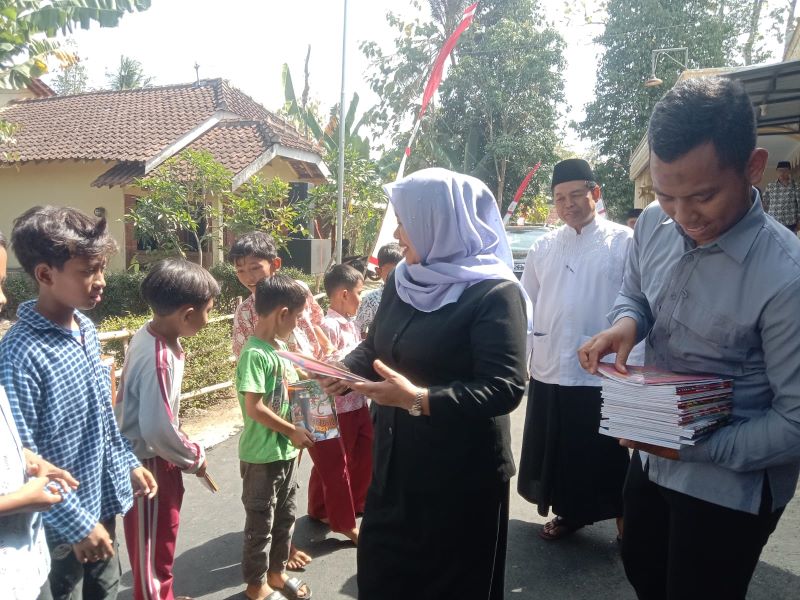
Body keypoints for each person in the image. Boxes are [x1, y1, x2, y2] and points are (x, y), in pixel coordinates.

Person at [578, 77, 797, 599]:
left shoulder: (785, 276)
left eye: (703, 196)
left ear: (753, 167)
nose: (683, 216)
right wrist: (626, 324)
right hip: (653, 457)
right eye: (665, 195)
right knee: (642, 569)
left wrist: (694, 446)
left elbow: (795, 420)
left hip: (731, 484)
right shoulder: (654, 224)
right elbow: (635, 294)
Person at [321, 168, 529, 600]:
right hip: (395, 462)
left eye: (405, 222)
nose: (397, 234)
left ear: (441, 222)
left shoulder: (493, 292)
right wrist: (344, 370)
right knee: (382, 577)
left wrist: (418, 399)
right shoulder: (404, 279)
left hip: (459, 477)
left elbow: (505, 387)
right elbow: (376, 346)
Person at [0, 206, 157, 600]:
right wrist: (77, 524)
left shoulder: (85, 328)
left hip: (100, 502)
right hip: (58, 526)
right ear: (45, 275)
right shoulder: (20, 354)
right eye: (88, 271)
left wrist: (127, 462)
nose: (101, 280)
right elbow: (20, 459)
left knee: (106, 588)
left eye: (101, 268)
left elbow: (102, 416)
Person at [517, 158, 637, 542]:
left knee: (607, 450)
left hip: (602, 368)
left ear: (595, 193)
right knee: (560, 448)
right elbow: (526, 306)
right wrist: (521, 358)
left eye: (575, 194)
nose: (567, 204)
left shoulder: (624, 242)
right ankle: (569, 513)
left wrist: (635, 364)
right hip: (551, 362)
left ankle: (625, 520)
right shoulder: (543, 245)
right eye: (559, 197)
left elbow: (638, 303)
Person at [115, 258, 220, 600]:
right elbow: (156, 428)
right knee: (152, 546)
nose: (209, 318)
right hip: (149, 463)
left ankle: (163, 595)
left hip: (156, 456)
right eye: (208, 311)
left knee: (162, 539)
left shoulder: (151, 334)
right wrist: (193, 457)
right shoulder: (158, 356)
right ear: (187, 314)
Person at [228, 230, 323, 570]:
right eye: (241, 271)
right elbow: (248, 362)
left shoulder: (299, 292)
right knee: (275, 472)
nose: (248, 277)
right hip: (275, 391)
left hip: (307, 384)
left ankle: (285, 539)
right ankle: (283, 548)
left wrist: (323, 364)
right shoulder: (245, 312)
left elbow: (315, 327)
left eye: (255, 267)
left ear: (275, 264)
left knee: (297, 459)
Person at [0, 228, 80, 600]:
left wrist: (28, 460)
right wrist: (22, 499)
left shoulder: (84, 330)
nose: (2, 298)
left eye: (2, 283)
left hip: (26, 564)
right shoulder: (18, 353)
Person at [236, 274, 314, 600]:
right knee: (260, 526)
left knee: (285, 517)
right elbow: (254, 407)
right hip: (262, 457)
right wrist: (291, 430)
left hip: (285, 452)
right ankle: (256, 585)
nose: (297, 324)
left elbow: (294, 387)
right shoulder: (254, 354)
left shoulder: (280, 348)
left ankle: (277, 573)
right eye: (297, 317)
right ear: (282, 314)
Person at [307, 264, 372, 545]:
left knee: (362, 452)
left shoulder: (351, 323)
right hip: (337, 408)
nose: (361, 298)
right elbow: (321, 367)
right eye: (359, 292)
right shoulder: (328, 326)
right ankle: (338, 518)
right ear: (344, 294)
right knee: (336, 464)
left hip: (357, 402)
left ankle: (345, 503)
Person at [354, 243, 402, 338]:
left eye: (402, 271)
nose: (397, 276)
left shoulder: (414, 297)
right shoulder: (371, 300)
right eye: (392, 273)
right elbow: (358, 330)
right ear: (379, 272)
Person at [762, 159, 799, 232]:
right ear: (777, 171)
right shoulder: (770, 186)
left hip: (791, 223)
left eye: (785, 170)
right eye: (780, 170)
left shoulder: (796, 186)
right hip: (774, 222)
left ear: (789, 171)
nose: (782, 173)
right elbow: (764, 203)